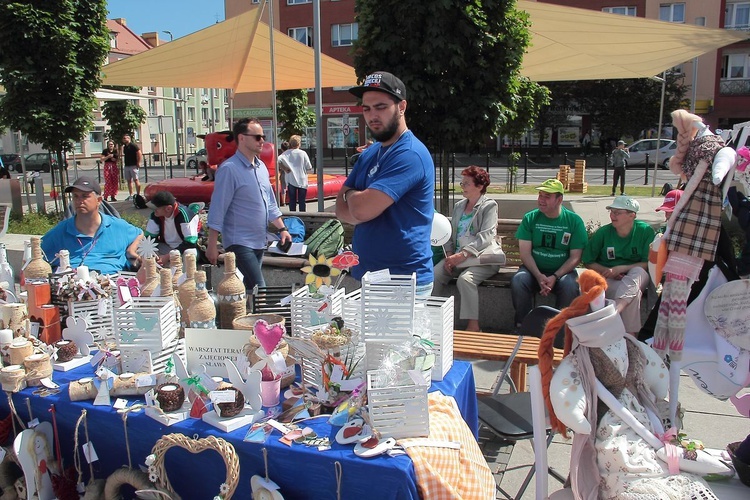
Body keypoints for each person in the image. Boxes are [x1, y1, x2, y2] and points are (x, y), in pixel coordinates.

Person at [336, 71, 435, 295]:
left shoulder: (410, 154)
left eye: (381, 107)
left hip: (404, 281)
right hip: (371, 277)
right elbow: (340, 209)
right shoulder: (371, 152)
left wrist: (353, 197)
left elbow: (358, 209)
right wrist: (358, 203)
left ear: (401, 107)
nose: (372, 116)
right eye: (366, 108)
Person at [206, 118, 292, 292]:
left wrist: (283, 230)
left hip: (259, 241)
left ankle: (243, 317)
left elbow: (270, 205)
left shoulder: (261, 167)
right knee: (260, 289)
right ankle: (264, 319)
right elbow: (217, 208)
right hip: (239, 241)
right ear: (242, 138)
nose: (262, 141)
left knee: (250, 291)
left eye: (263, 136)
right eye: (257, 137)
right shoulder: (229, 169)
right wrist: (212, 245)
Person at [432, 166, 502, 332]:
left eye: (466, 183)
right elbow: (450, 233)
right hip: (456, 258)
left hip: (481, 260)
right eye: (462, 182)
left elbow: (485, 237)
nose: (462, 186)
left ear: (479, 186)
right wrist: (449, 256)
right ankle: (432, 320)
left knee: (466, 280)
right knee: (434, 274)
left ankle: (473, 325)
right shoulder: (459, 206)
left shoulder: (489, 206)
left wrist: (462, 255)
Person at [510, 179, 587, 327]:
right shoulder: (530, 218)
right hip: (533, 271)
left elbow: (575, 257)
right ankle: (523, 325)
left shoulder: (574, 221)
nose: (541, 200)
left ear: (559, 199)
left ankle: (560, 329)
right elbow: (525, 254)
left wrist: (555, 276)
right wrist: (539, 276)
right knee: (519, 280)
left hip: (562, 272)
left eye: (547, 196)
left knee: (570, 286)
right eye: (540, 195)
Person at [582, 196, 654, 335]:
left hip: (636, 276)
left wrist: (621, 268)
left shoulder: (645, 231)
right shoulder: (603, 232)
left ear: (632, 215)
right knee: (634, 295)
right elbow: (588, 260)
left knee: (638, 271)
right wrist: (608, 271)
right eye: (611, 212)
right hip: (611, 280)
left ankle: (614, 311)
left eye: (617, 212)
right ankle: (631, 339)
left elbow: (647, 264)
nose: (612, 216)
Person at [41, 176, 143, 274]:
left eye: (85, 196)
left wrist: (131, 250)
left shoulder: (117, 226)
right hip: (73, 286)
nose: (79, 201)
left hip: (112, 283)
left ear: (98, 201)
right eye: (75, 196)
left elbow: (139, 233)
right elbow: (37, 253)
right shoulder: (62, 230)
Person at [144, 191, 201, 266]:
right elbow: (149, 238)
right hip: (167, 247)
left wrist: (168, 256)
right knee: (145, 249)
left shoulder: (184, 214)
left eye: (156, 208)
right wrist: (154, 252)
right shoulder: (156, 215)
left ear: (168, 208)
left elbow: (190, 243)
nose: (154, 210)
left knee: (189, 254)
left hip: (184, 249)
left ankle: (187, 276)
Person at [277, 135, 312, 212]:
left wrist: (284, 168)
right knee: (302, 200)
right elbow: (309, 167)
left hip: (290, 179)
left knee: (292, 200)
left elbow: (277, 160)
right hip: (302, 179)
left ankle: (292, 216)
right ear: (299, 144)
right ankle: (303, 216)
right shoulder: (303, 153)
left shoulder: (285, 153)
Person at [122, 134, 142, 201]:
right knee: (128, 180)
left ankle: (138, 195)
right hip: (127, 165)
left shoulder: (133, 145)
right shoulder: (125, 146)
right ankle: (131, 194)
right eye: (123, 138)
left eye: (125, 138)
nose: (124, 140)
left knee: (136, 179)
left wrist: (138, 162)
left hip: (133, 165)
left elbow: (139, 153)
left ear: (128, 138)